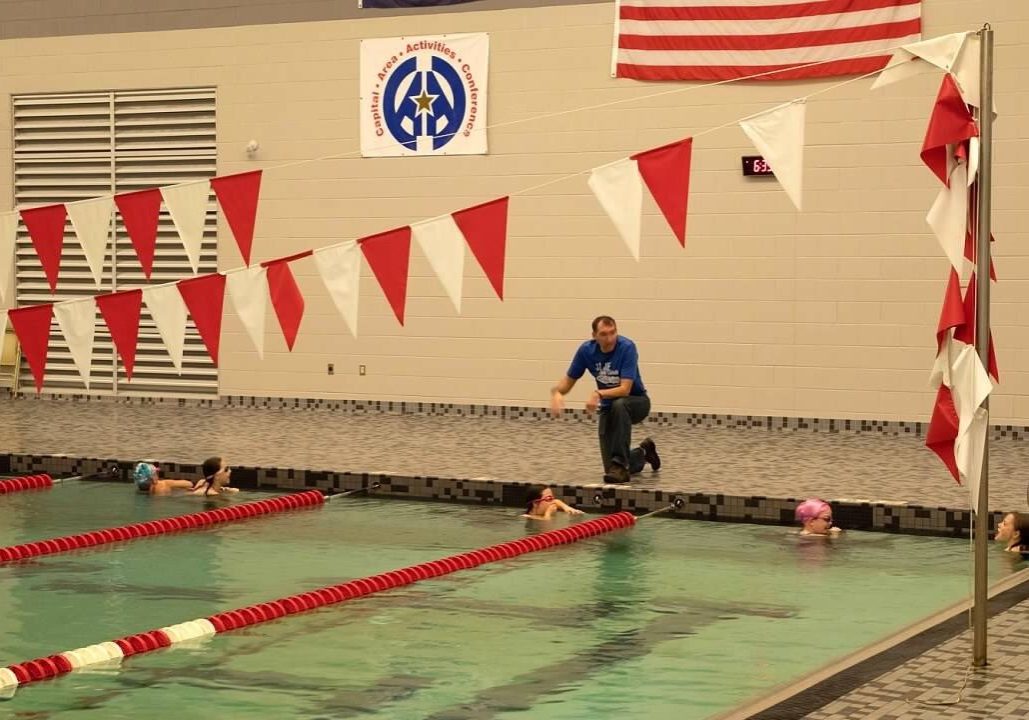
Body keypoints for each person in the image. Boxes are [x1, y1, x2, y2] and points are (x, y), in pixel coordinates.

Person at [549, 316, 660, 484]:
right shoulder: (586, 351)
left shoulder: (627, 347)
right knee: (610, 468)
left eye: (612, 333)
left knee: (620, 404)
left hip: (636, 402)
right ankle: (644, 453)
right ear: (594, 336)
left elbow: (625, 389)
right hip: (610, 407)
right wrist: (557, 393)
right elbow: (568, 381)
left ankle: (621, 466)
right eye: (604, 334)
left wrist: (598, 394)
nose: (609, 339)